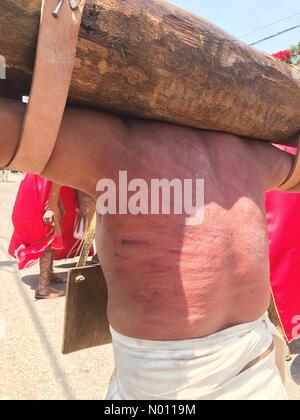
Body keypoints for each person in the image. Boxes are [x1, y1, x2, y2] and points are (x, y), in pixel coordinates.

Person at [0, 96, 298, 400]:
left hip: (164, 386)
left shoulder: (115, 146)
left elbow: (8, 131)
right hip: (259, 375)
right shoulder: (253, 155)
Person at [9, 173, 95, 299]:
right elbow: (53, 176)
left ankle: (49, 274)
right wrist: (51, 206)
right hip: (41, 194)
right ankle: (43, 288)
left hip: (39, 191)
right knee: (48, 236)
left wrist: (56, 201)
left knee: (52, 234)